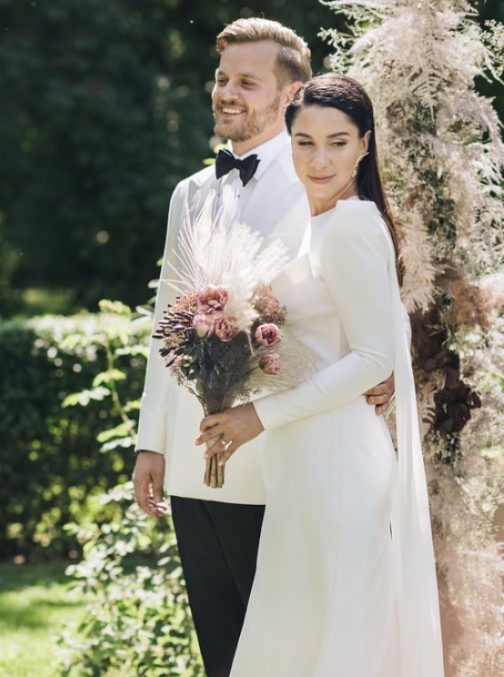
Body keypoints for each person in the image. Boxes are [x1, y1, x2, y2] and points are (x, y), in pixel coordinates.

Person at [131, 18, 395, 677]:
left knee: (280, 653)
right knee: (221, 652)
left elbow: (376, 292)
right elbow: (168, 319)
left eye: (247, 82)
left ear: (290, 93)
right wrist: (151, 440)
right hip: (192, 459)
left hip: (278, 460)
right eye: (222, 79)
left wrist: (390, 362)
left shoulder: (320, 183)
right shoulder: (189, 193)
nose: (227, 92)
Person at [196, 73, 443, 676]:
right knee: (304, 633)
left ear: (365, 144)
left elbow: (373, 358)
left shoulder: (352, 224)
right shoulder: (320, 225)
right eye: (304, 142)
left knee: (336, 638)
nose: (319, 159)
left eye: (338, 142)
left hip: (338, 461)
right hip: (304, 458)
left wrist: (258, 415)